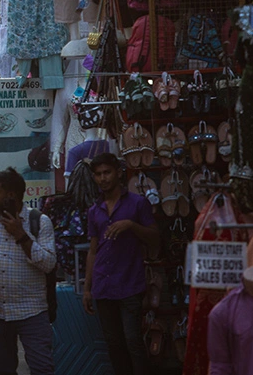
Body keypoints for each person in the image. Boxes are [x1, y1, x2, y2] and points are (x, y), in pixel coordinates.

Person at [83, 153, 161, 375]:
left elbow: (155, 238)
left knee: (133, 341)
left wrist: (131, 226)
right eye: (98, 174)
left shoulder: (137, 204)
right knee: (114, 344)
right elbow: (92, 250)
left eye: (107, 172)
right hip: (103, 285)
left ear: (118, 173)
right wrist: (87, 289)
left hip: (129, 283)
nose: (103, 178)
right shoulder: (94, 210)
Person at [0, 168, 58, 375]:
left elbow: (49, 264)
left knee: (42, 368)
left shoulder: (39, 222)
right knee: (4, 369)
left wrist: (21, 235)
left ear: (11, 195)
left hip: (31, 311)